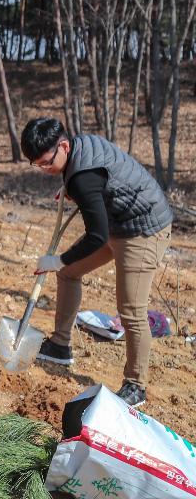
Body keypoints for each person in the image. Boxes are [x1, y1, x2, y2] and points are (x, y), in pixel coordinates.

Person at [21, 118, 173, 407]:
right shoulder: (80, 149)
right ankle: (60, 346)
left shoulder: (82, 178)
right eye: (36, 165)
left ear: (63, 145)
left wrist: (57, 259)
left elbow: (96, 235)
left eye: (45, 163)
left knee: (130, 311)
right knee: (68, 273)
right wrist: (72, 188)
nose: (43, 170)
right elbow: (103, 180)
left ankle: (136, 385)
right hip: (119, 223)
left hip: (144, 229)